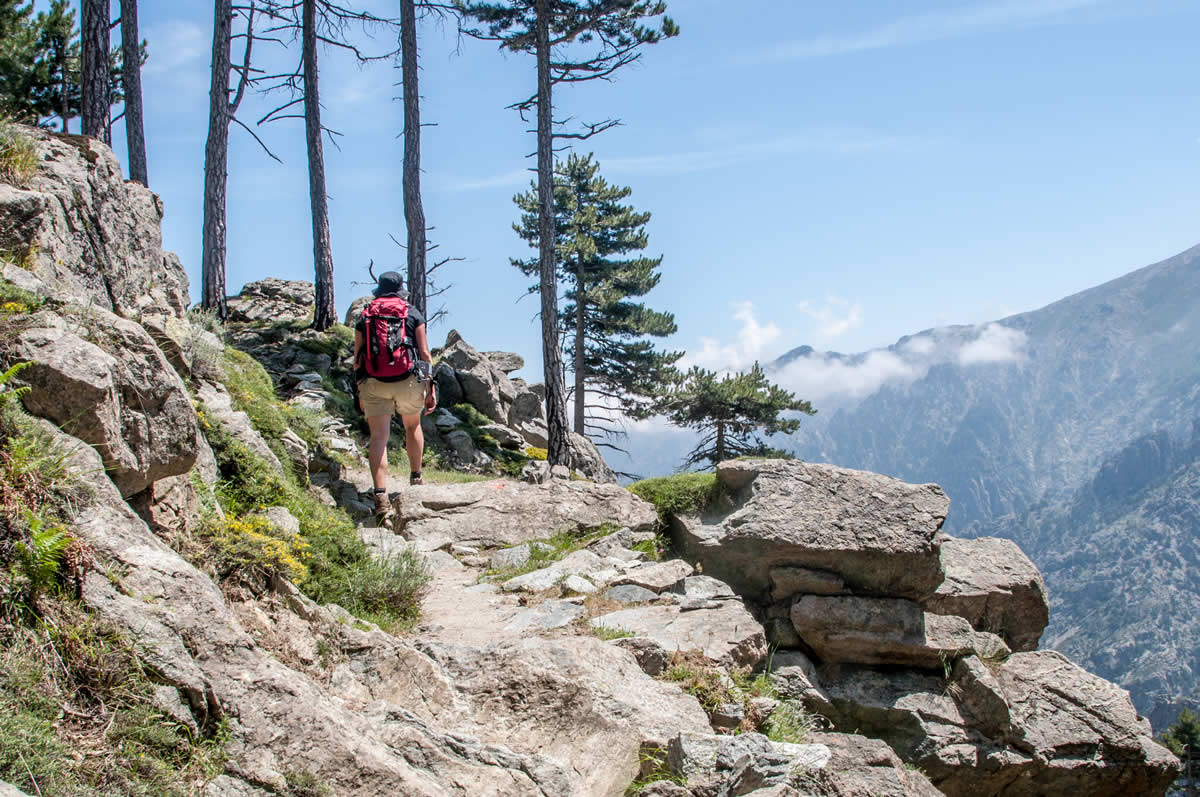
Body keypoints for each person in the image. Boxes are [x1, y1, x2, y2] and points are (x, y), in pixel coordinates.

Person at [353, 271, 436, 518]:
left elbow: (357, 358)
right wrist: (430, 388)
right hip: (408, 380)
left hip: (374, 381)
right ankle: (416, 478)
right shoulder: (412, 312)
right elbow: (424, 354)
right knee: (412, 426)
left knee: (379, 437)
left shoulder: (366, 314)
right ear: (401, 290)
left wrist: (359, 389)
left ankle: (380, 496)